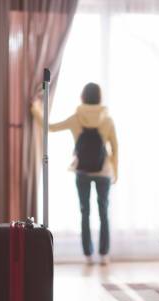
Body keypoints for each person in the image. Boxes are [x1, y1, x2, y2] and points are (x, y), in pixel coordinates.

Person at [33, 83, 118, 265]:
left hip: (82, 171)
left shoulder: (76, 118)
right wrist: (115, 172)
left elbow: (51, 127)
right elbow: (115, 148)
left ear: (82, 97)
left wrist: (36, 109)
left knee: (84, 212)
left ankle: (88, 255)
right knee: (104, 212)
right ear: (99, 98)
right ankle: (104, 255)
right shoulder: (107, 120)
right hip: (103, 171)